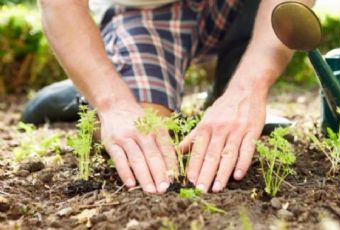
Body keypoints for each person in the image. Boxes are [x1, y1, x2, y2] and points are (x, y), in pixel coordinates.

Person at [27, 0, 314, 194]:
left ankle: (226, 93)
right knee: (148, 134)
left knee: (240, 97)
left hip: (239, 7)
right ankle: (95, 82)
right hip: (147, 11)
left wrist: (247, 91)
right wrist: (112, 103)